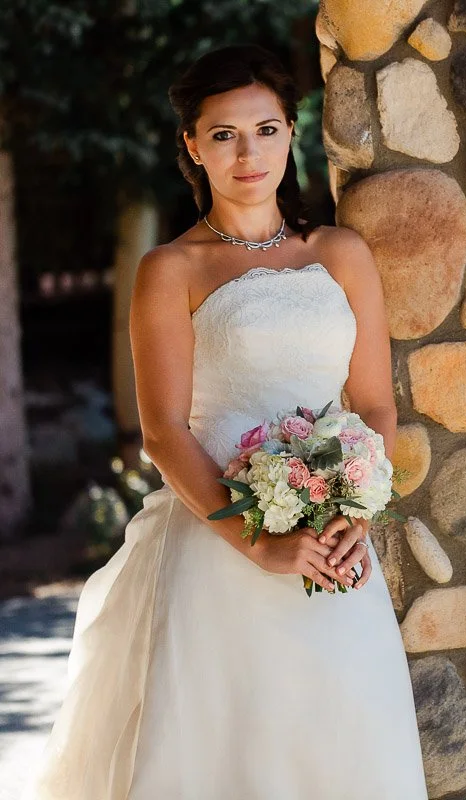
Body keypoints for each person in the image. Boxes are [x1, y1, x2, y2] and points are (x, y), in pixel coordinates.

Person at [22, 44, 429, 799]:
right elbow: (164, 431)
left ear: (291, 132)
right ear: (192, 146)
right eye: (224, 135)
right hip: (220, 550)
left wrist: (354, 518)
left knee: (346, 754)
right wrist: (263, 544)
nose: (249, 154)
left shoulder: (341, 254)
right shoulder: (170, 269)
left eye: (267, 130)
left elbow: (373, 406)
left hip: (337, 559)